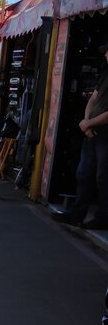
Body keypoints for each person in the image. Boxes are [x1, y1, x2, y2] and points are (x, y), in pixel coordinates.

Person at [53, 41, 108, 230]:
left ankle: (103, 217)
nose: (106, 55)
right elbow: (93, 98)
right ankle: (77, 213)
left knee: (103, 177)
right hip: (92, 131)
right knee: (84, 174)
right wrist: (86, 122)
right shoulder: (105, 75)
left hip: (104, 134)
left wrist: (89, 123)